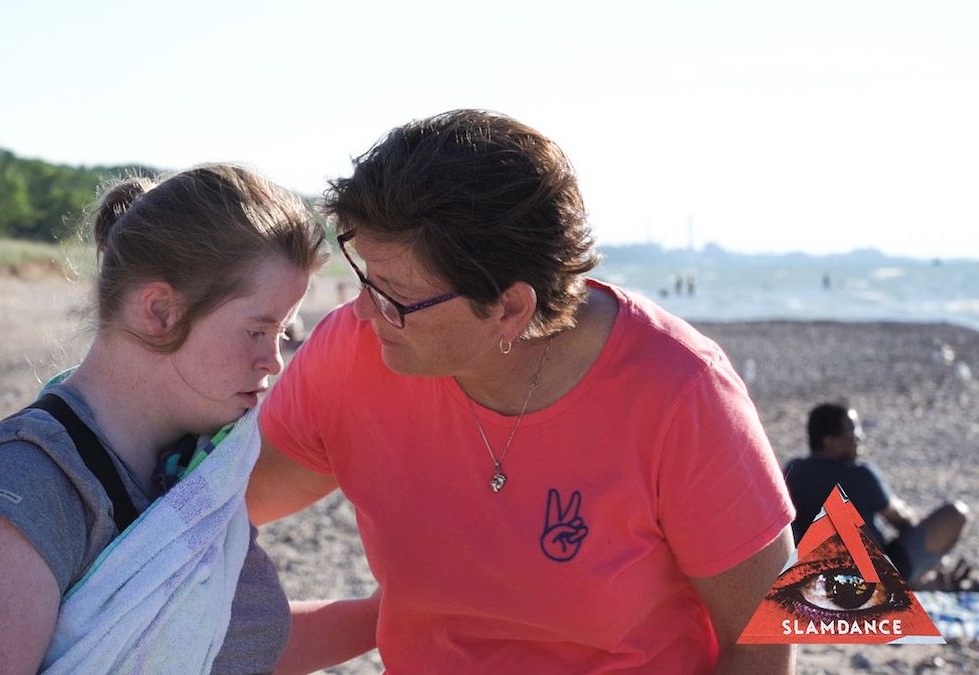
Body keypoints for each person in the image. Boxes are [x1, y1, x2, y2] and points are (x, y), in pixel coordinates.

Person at [247, 110, 796, 672]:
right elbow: (222, 508)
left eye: (395, 296)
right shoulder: (354, 353)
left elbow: (764, 638)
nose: (364, 310)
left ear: (509, 308)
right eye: (364, 274)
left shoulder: (682, 391)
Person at [0, 165, 377, 674]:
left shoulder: (194, 469)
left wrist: (389, 614)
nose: (273, 361)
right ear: (160, 312)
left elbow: (220, 646)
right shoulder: (22, 494)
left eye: (281, 334)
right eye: (257, 331)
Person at [785, 402, 970, 587]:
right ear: (829, 440)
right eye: (852, 433)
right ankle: (923, 579)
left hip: (811, 576)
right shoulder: (860, 474)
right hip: (875, 576)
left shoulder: (793, 471)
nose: (859, 438)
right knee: (956, 513)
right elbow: (900, 520)